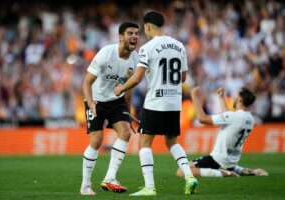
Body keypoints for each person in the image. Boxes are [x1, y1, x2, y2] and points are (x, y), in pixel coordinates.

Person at [114, 11, 198, 196]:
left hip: (155, 101)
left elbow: (137, 78)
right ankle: (189, 176)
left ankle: (149, 187)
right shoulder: (179, 46)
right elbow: (183, 77)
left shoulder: (147, 48)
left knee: (144, 143)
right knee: (172, 141)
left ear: (148, 27)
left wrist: (121, 88)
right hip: (174, 102)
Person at [80, 22, 139, 196]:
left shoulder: (136, 59)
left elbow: (129, 88)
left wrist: (128, 113)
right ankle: (85, 185)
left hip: (116, 101)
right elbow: (86, 82)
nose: (134, 36)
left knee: (125, 133)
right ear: (120, 37)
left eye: (136, 33)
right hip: (96, 100)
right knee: (97, 140)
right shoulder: (106, 53)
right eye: (130, 33)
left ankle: (110, 177)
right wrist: (90, 103)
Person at [176, 87, 268, 178]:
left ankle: (222, 173)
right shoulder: (250, 119)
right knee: (187, 167)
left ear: (240, 99)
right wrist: (221, 97)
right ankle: (239, 170)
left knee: (181, 171)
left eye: (236, 96)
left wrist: (194, 96)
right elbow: (228, 117)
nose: (234, 98)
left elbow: (202, 118)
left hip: (218, 159)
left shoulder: (234, 116)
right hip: (231, 160)